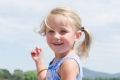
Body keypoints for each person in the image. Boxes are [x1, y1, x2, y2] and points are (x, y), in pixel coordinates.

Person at [31, 6, 92, 80]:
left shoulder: (68, 64)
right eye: (51, 31)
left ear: (77, 35)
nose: (56, 36)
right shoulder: (58, 61)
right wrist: (39, 61)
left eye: (63, 31)